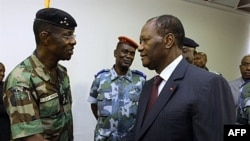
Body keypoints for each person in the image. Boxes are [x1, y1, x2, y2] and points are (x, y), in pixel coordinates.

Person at [124, 14, 236, 141]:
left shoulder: (208, 84)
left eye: (146, 40)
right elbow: (139, 133)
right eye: (140, 42)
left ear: (168, 41)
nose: (140, 47)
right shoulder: (149, 87)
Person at [3, 7, 77, 141]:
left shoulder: (62, 73)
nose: (73, 41)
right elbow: (30, 137)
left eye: (73, 35)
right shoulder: (21, 80)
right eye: (67, 35)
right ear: (45, 37)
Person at [87, 36, 146, 141]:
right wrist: (105, 124)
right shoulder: (101, 78)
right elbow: (93, 104)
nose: (128, 56)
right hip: (104, 138)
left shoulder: (140, 81)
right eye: (124, 51)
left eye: (132, 54)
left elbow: (144, 110)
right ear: (115, 53)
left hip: (130, 138)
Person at [0, 62, 11, 141]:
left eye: (3, 71)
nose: (2, 73)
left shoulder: (6, 86)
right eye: (0, 71)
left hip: (6, 126)